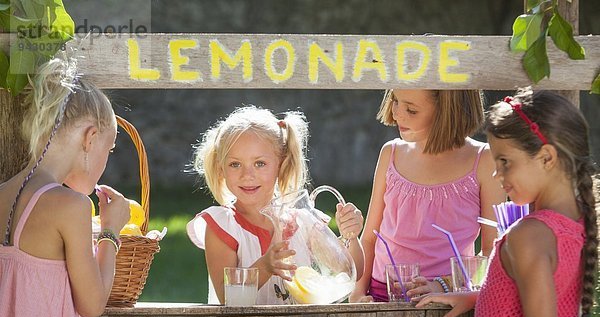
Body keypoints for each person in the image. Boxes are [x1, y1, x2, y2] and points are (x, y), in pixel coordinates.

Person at [417, 88, 596, 317]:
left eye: (505, 162)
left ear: (546, 157)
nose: (497, 175)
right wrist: (480, 297)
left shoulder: (530, 235)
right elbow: (540, 298)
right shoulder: (576, 224)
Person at [0, 57, 130, 317]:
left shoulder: (2, 195)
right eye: (110, 148)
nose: (106, 159)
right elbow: (91, 304)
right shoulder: (71, 206)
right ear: (90, 138)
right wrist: (111, 232)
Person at [187, 105, 364, 304]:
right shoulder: (223, 226)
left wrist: (351, 237)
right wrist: (264, 267)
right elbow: (227, 298)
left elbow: (349, 271)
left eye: (260, 163)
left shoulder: (301, 222)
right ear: (221, 168)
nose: (247, 175)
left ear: (282, 163)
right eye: (235, 164)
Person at [350, 89, 506, 303]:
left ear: (447, 112)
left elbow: (493, 253)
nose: (397, 114)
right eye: (395, 100)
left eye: (411, 110)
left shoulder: (484, 160)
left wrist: (443, 285)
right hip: (381, 297)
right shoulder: (391, 153)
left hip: (447, 303)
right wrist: (358, 292)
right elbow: (369, 239)